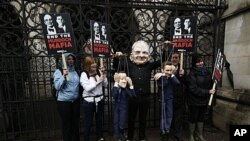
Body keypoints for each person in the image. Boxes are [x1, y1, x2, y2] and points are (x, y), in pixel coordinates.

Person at [115, 40, 170, 141]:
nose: (141, 55)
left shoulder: (149, 65)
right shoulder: (128, 64)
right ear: (132, 54)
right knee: (131, 119)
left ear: (148, 55)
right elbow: (116, 67)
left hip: (145, 97)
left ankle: (142, 137)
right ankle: (130, 137)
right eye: (138, 52)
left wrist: (165, 49)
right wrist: (117, 58)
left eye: (144, 52)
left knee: (143, 119)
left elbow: (162, 60)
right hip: (132, 97)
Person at [186, 54, 215, 141]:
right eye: (198, 62)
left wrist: (214, 83)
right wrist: (207, 92)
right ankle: (191, 135)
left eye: (201, 61)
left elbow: (211, 83)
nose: (200, 63)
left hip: (204, 99)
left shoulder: (207, 71)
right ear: (194, 63)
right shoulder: (192, 73)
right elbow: (193, 88)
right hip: (194, 100)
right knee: (193, 118)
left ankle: (199, 135)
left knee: (201, 117)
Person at [53, 53, 81, 141]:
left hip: (75, 102)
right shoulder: (59, 71)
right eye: (68, 59)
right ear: (64, 60)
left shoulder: (76, 71)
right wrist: (63, 76)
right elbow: (57, 86)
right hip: (64, 102)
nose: (70, 61)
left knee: (75, 123)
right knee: (67, 124)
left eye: (72, 59)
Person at [80, 56, 108, 141]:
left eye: (95, 66)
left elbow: (106, 85)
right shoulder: (84, 74)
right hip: (89, 101)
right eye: (92, 67)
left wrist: (103, 75)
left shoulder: (99, 72)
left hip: (99, 100)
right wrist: (97, 82)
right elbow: (87, 88)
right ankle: (86, 138)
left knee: (99, 119)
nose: (94, 68)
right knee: (88, 121)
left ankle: (100, 136)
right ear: (87, 66)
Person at [154, 62, 180, 141]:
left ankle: (167, 129)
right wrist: (164, 76)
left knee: (169, 114)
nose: (168, 72)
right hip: (162, 98)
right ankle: (163, 130)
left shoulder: (172, 77)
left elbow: (177, 83)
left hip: (169, 98)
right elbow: (163, 85)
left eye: (170, 70)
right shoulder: (161, 77)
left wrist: (171, 75)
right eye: (167, 70)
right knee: (163, 115)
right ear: (163, 70)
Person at [112, 72, 135, 141]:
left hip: (123, 109)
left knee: (122, 123)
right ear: (118, 80)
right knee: (116, 122)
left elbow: (132, 96)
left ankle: (122, 132)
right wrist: (116, 84)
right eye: (121, 78)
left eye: (125, 78)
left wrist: (130, 85)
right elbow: (114, 95)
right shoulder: (115, 88)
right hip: (117, 109)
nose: (124, 80)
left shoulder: (126, 90)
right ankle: (117, 136)